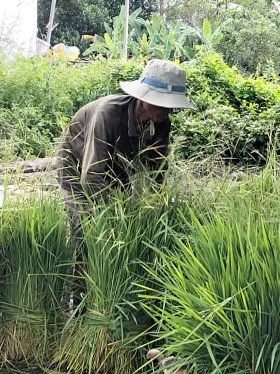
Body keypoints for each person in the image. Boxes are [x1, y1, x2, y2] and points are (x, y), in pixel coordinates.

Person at [57, 58, 194, 272]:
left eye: (171, 106)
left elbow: (157, 171)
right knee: (88, 233)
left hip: (117, 169)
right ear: (143, 98)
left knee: (125, 232)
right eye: (161, 103)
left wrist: (156, 206)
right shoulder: (107, 114)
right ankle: (81, 291)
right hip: (78, 168)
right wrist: (114, 215)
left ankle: (114, 277)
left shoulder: (161, 122)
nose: (167, 111)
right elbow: (91, 175)